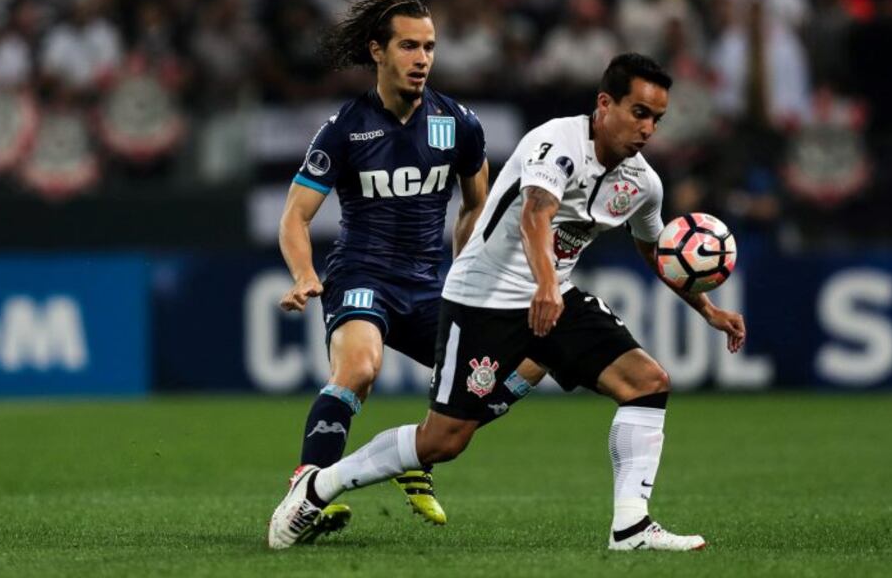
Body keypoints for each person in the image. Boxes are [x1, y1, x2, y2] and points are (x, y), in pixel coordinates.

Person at [268, 53, 747, 551]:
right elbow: (535, 214)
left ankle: (630, 527)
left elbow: (655, 250)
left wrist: (708, 309)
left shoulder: (642, 184)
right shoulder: (557, 142)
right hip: (484, 298)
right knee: (442, 440)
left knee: (647, 383)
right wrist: (545, 284)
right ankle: (317, 487)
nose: (647, 128)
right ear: (605, 104)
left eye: (656, 119)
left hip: (552, 297)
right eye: (639, 112)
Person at [271, 0, 545, 545]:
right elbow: (295, 217)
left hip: (427, 287)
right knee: (359, 369)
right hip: (361, 276)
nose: (422, 59)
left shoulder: (458, 123)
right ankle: (306, 490)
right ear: (378, 51)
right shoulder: (345, 128)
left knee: (521, 364)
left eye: (429, 47)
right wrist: (304, 274)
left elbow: (476, 207)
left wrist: (468, 273)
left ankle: (413, 455)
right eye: (409, 46)